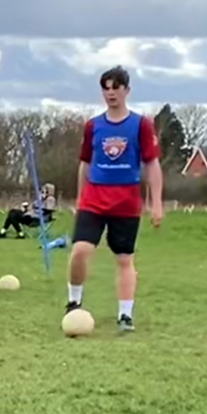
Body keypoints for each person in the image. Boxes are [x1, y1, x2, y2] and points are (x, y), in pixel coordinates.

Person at [67, 66, 163, 332]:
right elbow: (85, 164)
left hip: (126, 200)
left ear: (126, 91)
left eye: (116, 87)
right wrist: (79, 198)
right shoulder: (93, 126)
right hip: (94, 198)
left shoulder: (141, 125)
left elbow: (152, 165)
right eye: (106, 88)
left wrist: (156, 204)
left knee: (124, 259)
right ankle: (74, 301)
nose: (111, 93)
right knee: (80, 250)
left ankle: (125, 316)